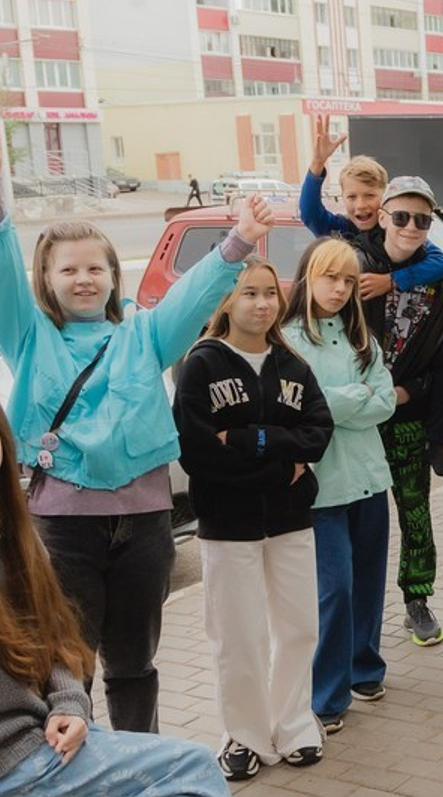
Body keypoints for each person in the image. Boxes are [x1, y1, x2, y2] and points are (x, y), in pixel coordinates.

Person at [0, 402, 316, 797]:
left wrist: (68, 705)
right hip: (11, 761)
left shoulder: (14, 533)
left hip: (43, 741)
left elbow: (57, 642)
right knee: (195, 764)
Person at [0, 194, 266, 738]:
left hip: (145, 525)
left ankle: (137, 772)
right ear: (45, 279)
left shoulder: (144, 334)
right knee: (69, 669)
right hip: (63, 529)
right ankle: (77, 778)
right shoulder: (28, 336)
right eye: (67, 269)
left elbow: (193, 296)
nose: (83, 280)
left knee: (135, 665)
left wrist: (237, 241)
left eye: (95, 268)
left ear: (114, 277)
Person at [173, 260, 333, 777]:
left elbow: (318, 434)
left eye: (269, 292)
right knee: (238, 634)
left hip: (291, 520)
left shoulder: (292, 364)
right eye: (248, 294)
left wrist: (249, 439)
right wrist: (281, 468)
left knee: (299, 627)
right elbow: (198, 455)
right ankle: (243, 735)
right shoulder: (203, 364)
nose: (262, 304)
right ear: (226, 301)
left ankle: (293, 724)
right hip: (228, 524)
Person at [282, 238, 397, 732]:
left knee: (369, 582)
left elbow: (386, 401)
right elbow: (298, 410)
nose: (340, 288)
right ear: (308, 275)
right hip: (320, 488)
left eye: (349, 280)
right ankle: (326, 695)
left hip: (369, 478)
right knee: (334, 589)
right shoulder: (285, 339)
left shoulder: (361, 338)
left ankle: (364, 667)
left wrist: (330, 403)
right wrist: (354, 398)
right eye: (331, 277)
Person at [360, 176, 443, 647]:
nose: (410, 226)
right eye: (400, 216)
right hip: (358, 424)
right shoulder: (356, 268)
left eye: (421, 219)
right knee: (359, 521)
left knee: (415, 512)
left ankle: (417, 600)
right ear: (382, 216)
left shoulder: (439, 279)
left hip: (406, 417)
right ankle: (358, 611)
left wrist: (416, 395)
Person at [300, 116, 443, 299]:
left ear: (384, 199)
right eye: (352, 197)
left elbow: (441, 263)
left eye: (370, 195)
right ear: (343, 198)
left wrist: (391, 280)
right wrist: (317, 164)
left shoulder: (397, 230)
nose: (361, 205)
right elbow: (310, 213)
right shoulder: (341, 230)